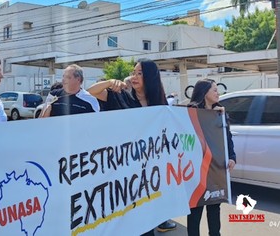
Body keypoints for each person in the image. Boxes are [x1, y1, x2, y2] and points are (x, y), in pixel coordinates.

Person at [88, 59, 176, 235]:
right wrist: (109, 82)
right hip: (124, 172)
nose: (134, 76)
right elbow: (91, 91)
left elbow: (177, 124)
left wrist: (214, 114)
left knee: (147, 223)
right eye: (134, 72)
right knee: (128, 222)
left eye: (140, 73)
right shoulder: (121, 96)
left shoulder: (159, 104)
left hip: (150, 174)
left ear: (150, 77)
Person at [186, 78, 236, 236]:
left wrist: (232, 157)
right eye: (214, 90)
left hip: (216, 170)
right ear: (204, 92)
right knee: (195, 211)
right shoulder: (190, 112)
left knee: (214, 209)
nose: (217, 93)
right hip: (197, 172)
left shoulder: (220, 112)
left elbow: (227, 139)